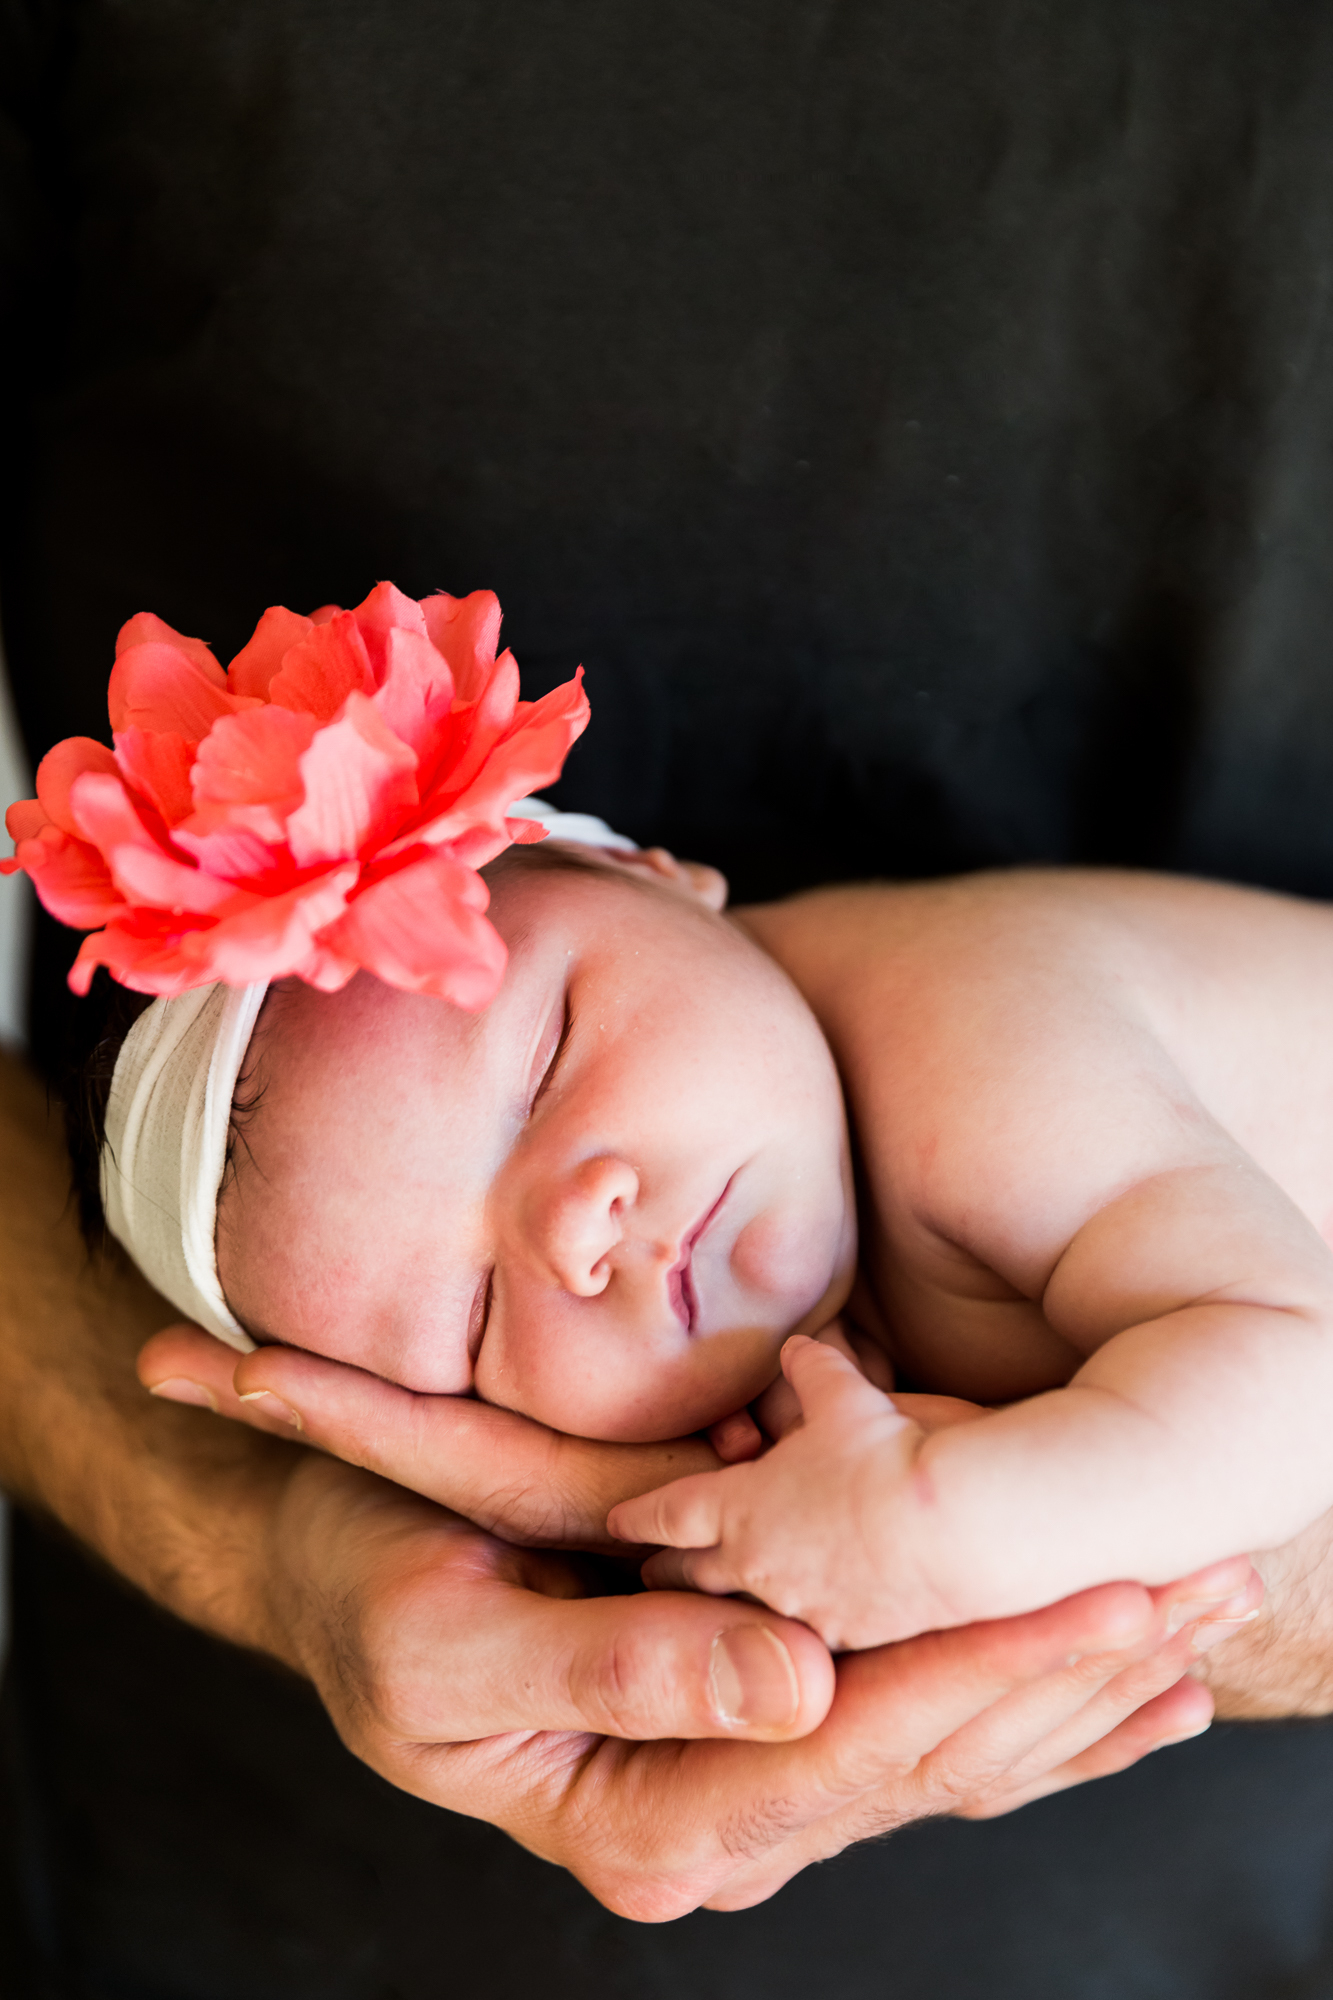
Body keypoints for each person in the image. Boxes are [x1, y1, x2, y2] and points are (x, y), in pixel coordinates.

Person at [6, 2, 1333, 1993]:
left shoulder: (971, 1037)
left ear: (666, 875)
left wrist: (939, 1534)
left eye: (545, 1054)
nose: (576, 1219)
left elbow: (1294, 1382)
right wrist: (259, 1535)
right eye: (462, 1325)